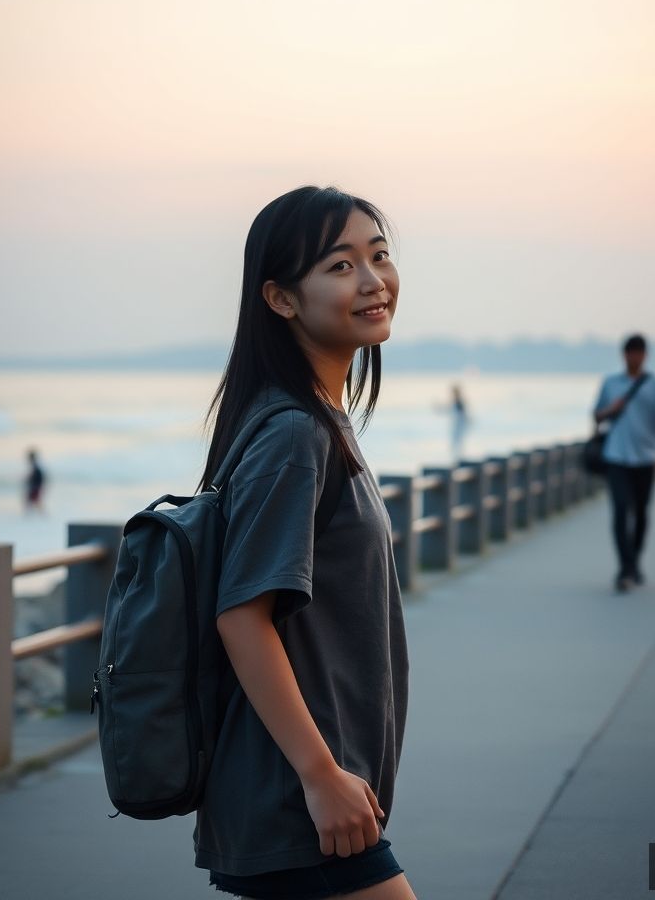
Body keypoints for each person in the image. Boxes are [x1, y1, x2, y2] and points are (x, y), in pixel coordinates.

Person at [193, 186, 416, 899]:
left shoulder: (319, 419)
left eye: (378, 257)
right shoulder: (293, 434)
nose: (373, 281)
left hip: (319, 794)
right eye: (341, 265)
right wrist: (320, 777)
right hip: (299, 798)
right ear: (282, 299)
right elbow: (241, 616)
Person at [592, 334, 655, 592]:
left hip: (646, 458)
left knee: (640, 513)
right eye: (630, 353)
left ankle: (634, 560)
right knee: (620, 511)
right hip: (616, 456)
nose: (634, 357)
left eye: (639, 353)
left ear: (645, 355)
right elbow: (596, 415)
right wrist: (611, 409)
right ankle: (625, 568)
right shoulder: (610, 383)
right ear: (624, 355)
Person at [24, 449, 45, 513]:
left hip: (35, 487)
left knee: (33, 502)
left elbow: (35, 477)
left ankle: (29, 517)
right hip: (36, 487)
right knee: (34, 502)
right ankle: (31, 516)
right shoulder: (35, 466)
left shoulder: (35, 466)